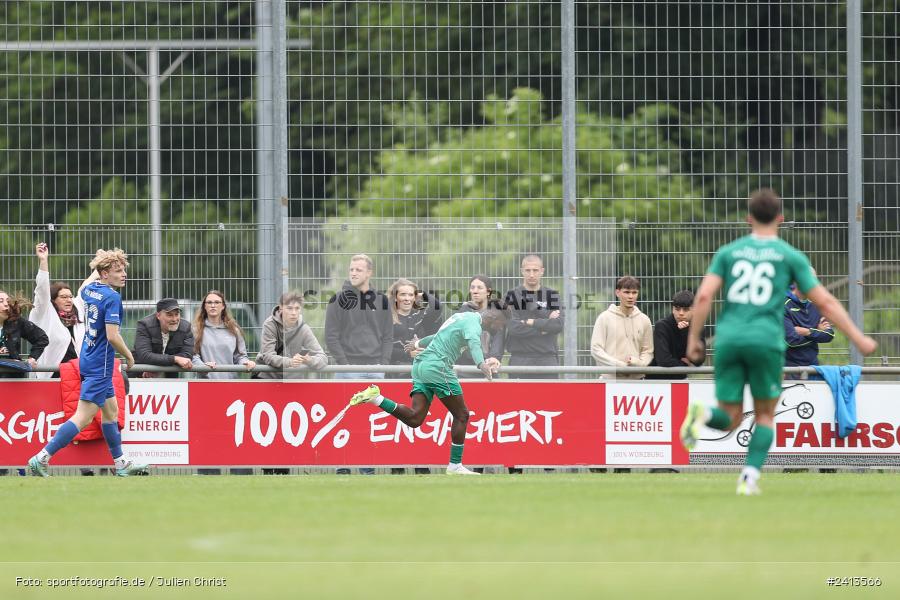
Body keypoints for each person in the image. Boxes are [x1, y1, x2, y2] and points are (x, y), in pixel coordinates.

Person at [681, 188, 877, 495]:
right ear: (780, 218)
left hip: (730, 340)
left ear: (748, 219)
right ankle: (748, 479)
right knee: (764, 415)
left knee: (729, 417)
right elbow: (825, 302)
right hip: (765, 342)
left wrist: (695, 339)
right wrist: (858, 337)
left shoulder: (728, 253)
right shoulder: (789, 256)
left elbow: (704, 296)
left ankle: (702, 413)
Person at [28, 248, 148, 477]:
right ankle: (41, 458)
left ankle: (121, 463)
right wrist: (130, 356)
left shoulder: (91, 290)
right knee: (83, 417)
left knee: (111, 412)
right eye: (118, 271)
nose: (124, 275)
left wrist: (101, 262)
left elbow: (85, 284)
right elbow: (113, 336)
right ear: (105, 274)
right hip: (100, 364)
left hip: (89, 358)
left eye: (123, 270)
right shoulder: (112, 297)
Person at [348, 307, 507, 475]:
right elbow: (474, 343)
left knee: (415, 418)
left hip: (421, 365)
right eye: (500, 324)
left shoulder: (462, 317)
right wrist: (481, 364)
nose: (499, 329)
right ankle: (455, 465)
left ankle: (376, 398)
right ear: (493, 317)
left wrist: (418, 343)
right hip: (438, 367)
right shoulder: (473, 325)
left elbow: (438, 336)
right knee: (462, 415)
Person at [324, 254, 393, 378]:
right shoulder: (337, 299)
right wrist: (344, 364)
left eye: (358, 270)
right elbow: (330, 336)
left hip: (376, 369)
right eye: (351, 270)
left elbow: (388, 336)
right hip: (348, 369)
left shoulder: (382, 300)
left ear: (369, 273)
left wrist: (383, 365)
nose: (353, 273)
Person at [29, 242, 88, 379]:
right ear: (53, 300)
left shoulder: (75, 313)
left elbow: (85, 288)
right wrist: (43, 260)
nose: (69, 300)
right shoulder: (45, 313)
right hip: (51, 374)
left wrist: (103, 267)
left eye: (70, 297)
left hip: (76, 374)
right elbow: (42, 289)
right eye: (63, 297)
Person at [503, 255, 563, 379]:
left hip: (547, 360)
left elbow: (558, 325)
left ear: (542, 271)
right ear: (522, 271)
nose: (531, 274)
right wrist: (544, 328)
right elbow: (514, 328)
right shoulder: (512, 296)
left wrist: (530, 322)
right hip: (520, 360)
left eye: (535, 270)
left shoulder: (552, 295)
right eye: (528, 270)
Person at [589, 276, 653, 379]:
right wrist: (618, 365)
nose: (631, 296)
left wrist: (639, 364)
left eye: (634, 292)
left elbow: (648, 351)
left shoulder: (644, 320)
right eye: (626, 292)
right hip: (610, 379)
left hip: (637, 380)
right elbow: (596, 349)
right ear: (617, 293)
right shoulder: (604, 318)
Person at [256, 291, 328, 378]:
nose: (294, 313)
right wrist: (290, 362)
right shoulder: (270, 325)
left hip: (293, 378)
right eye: (289, 308)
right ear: (281, 308)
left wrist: (309, 360)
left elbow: (323, 358)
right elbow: (268, 356)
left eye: (297, 308)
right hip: (268, 377)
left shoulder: (303, 328)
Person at [192, 290, 256, 379]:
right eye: (209, 302)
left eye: (217, 302)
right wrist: (202, 367)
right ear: (204, 306)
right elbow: (193, 355)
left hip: (230, 382)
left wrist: (246, 362)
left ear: (223, 306)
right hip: (205, 382)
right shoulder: (196, 330)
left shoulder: (234, 330)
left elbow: (240, 356)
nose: (213, 305)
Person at [387, 278, 443, 374]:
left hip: (420, 370)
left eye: (411, 295)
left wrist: (423, 294)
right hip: (394, 370)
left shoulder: (420, 315)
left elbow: (438, 307)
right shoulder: (387, 317)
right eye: (403, 294)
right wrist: (408, 354)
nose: (407, 298)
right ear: (395, 297)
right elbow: (384, 347)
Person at [647, 290, 705, 379]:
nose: (681, 313)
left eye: (686, 309)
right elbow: (663, 360)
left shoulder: (697, 328)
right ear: (672, 309)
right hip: (658, 380)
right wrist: (685, 365)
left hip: (681, 380)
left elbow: (698, 360)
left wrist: (686, 333)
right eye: (677, 309)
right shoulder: (662, 326)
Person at [784, 279, 835, 379]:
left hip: (814, 367)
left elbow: (829, 335)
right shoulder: (784, 305)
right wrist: (817, 332)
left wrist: (807, 332)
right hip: (789, 369)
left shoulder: (817, 304)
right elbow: (791, 340)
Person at [133, 298, 195, 378]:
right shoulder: (145, 325)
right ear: (158, 316)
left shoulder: (186, 327)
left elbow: (187, 355)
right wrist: (175, 359)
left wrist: (157, 367)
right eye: (169, 315)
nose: (174, 319)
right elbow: (144, 355)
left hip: (170, 375)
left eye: (177, 314)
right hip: (141, 375)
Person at [455, 275, 505, 373]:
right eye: (472, 287)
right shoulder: (463, 311)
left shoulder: (497, 313)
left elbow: (498, 338)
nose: (475, 291)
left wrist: (494, 357)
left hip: (489, 364)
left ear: (488, 291)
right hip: (465, 365)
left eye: (479, 288)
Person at [0, 289, 48, 379]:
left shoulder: (17, 322)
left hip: (13, 379)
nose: (6, 304)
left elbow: (42, 338)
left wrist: (32, 358)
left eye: (8, 301)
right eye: (1, 301)